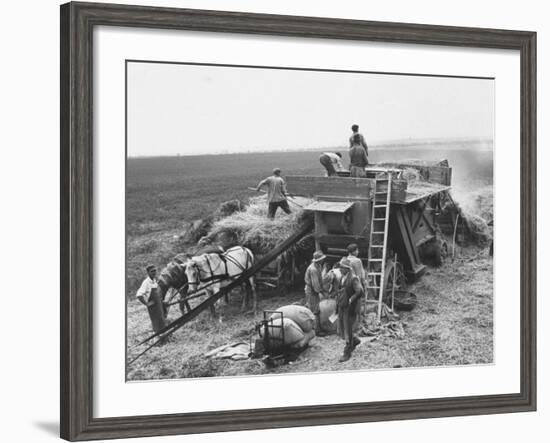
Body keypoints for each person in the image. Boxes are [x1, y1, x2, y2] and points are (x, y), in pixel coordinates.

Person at [336, 257, 364, 362]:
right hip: (342, 306)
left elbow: (360, 291)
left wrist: (351, 299)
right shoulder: (342, 277)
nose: (339, 269)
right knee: (343, 326)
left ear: (347, 268)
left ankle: (347, 352)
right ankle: (355, 340)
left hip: (350, 307)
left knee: (347, 328)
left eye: (341, 267)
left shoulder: (353, 278)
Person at [136, 264, 167, 333]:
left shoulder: (154, 280)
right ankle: (158, 336)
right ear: (148, 272)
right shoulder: (146, 282)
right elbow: (139, 295)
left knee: (162, 320)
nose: (154, 272)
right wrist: (147, 303)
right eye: (152, 271)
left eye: (155, 271)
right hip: (153, 307)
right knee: (156, 322)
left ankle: (163, 336)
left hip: (158, 305)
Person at [304, 251, 329, 335]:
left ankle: (316, 328)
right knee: (315, 311)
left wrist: (324, 289)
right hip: (311, 291)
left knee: (315, 309)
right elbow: (316, 285)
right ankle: (316, 331)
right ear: (318, 260)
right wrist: (322, 291)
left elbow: (320, 280)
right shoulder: (313, 269)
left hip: (314, 290)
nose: (323, 260)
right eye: (321, 259)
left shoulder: (318, 266)